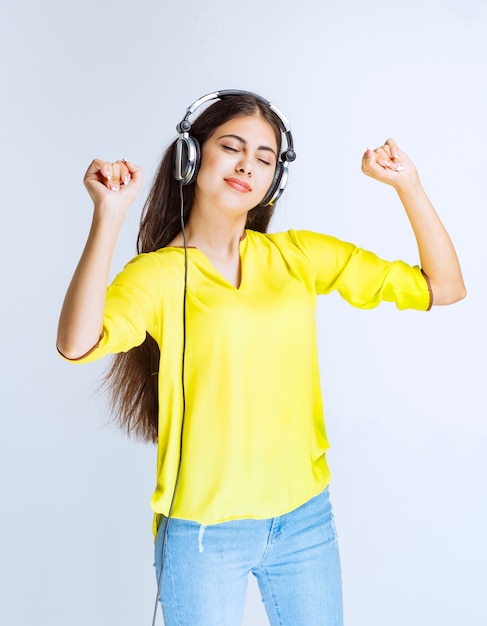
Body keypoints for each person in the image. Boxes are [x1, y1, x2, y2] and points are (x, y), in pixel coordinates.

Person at [57, 91, 466, 626]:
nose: (248, 164)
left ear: (276, 180)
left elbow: (445, 286)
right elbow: (76, 343)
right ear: (191, 155)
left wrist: (407, 185)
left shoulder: (296, 257)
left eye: (265, 157)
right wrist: (109, 215)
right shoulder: (158, 276)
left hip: (304, 523)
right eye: (231, 147)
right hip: (204, 536)